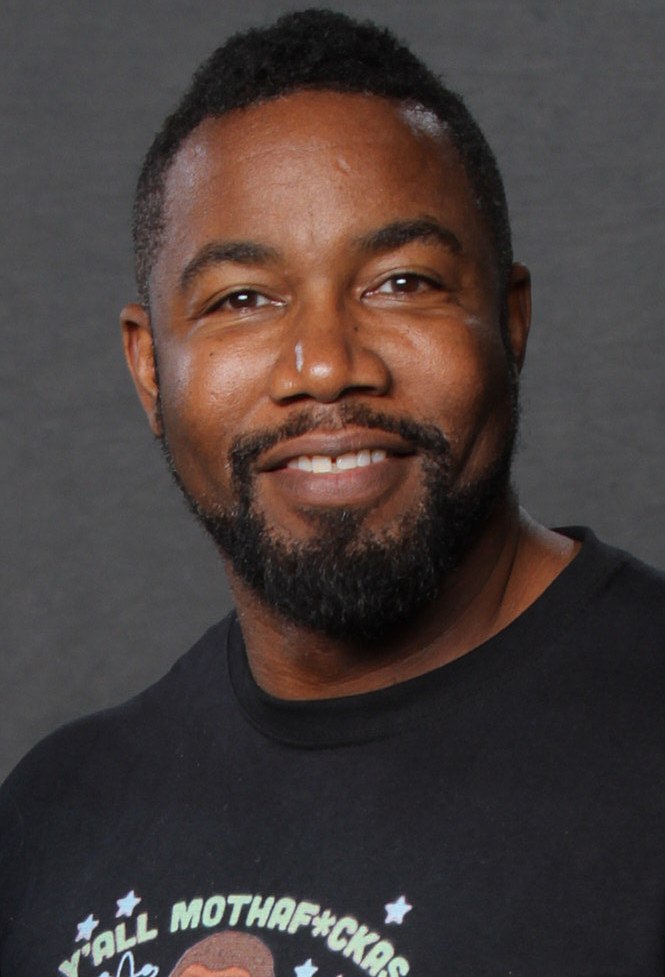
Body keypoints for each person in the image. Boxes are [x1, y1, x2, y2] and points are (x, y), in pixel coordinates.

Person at [1, 9, 664, 976]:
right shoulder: (50, 819)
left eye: (401, 282)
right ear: (150, 371)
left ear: (508, 320)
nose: (323, 365)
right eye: (242, 299)